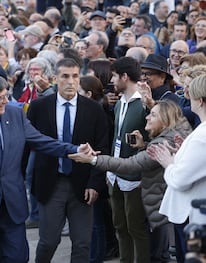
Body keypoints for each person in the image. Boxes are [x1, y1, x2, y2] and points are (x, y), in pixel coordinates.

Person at [0, 72, 92, 262]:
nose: (6, 101)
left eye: (6, 95)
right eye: (0, 98)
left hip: (12, 206)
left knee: (18, 257)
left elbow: (41, 141)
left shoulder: (14, 115)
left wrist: (74, 149)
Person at [70, 100, 192, 263]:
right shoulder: (173, 134)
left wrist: (93, 159)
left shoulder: (164, 142)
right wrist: (145, 146)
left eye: (153, 114)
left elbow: (129, 164)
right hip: (174, 205)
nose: (147, 117)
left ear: (166, 119)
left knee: (165, 250)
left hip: (173, 206)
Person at [28, 58, 109, 262]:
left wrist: (95, 184)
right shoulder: (39, 107)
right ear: (55, 78)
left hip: (83, 185)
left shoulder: (93, 109)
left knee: (82, 243)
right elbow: (28, 144)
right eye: (65, 76)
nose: (71, 81)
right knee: (48, 241)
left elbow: (102, 149)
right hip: (50, 182)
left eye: (75, 76)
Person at [148, 74, 206, 260]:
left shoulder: (202, 135)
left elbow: (180, 180)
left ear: (201, 101)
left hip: (193, 218)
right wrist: (182, 153)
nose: (187, 98)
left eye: (191, 94)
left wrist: (168, 163)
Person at [107, 57, 151, 262]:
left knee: (136, 228)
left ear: (125, 76)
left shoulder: (143, 103)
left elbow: (158, 135)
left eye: (115, 76)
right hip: (115, 173)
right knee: (120, 226)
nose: (112, 80)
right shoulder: (119, 103)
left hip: (135, 175)